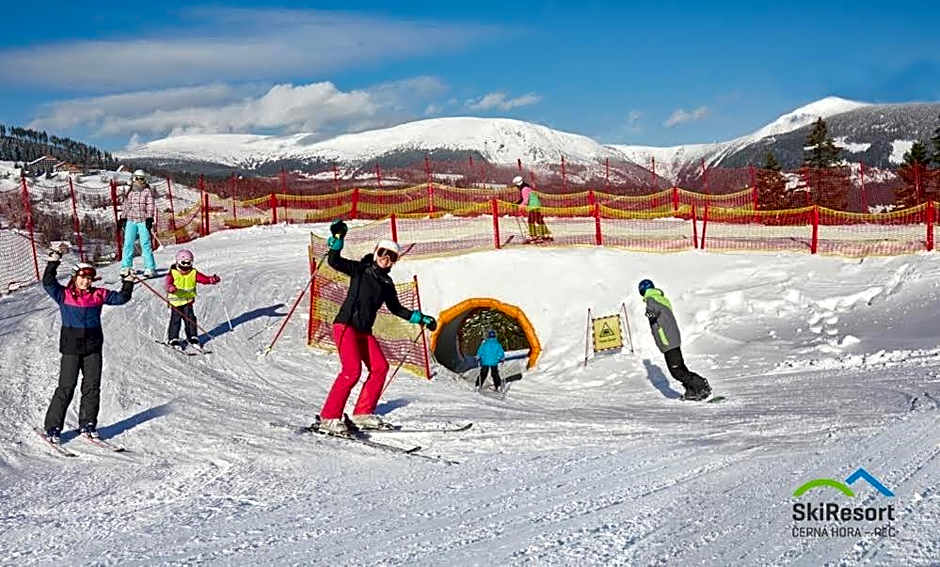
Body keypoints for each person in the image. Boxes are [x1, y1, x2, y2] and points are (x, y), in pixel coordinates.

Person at [317, 219, 437, 434]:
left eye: (392, 257)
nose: (386, 259)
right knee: (352, 371)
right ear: (375, 252)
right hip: (345, 326)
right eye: (383, 252)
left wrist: (422, 318)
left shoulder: (387, 284)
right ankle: (329, 417)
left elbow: (397, 309)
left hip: (364, 331)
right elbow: (334, 262)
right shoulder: (360, 269)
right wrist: (337, 240)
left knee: (380, 367)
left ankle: (362, 413)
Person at [41, 245, 134, 443]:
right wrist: (54, 260)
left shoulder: (97, 295)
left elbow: (121, 298)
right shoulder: (63, 295)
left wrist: (128, 281)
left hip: (93, 346)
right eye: (82, 277)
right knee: (66, 386)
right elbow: (48, 282)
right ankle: (53, 427)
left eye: (89, 278)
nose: (86, 281)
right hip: (71, 348)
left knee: (92, 386)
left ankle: (88, 424)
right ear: (75, 277)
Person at [639, 279, 711, 401]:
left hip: (668, 341)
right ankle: (691, 390)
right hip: (672, 339)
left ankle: (701, 385)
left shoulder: (651, 300)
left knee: (676, 371)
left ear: (642, 290)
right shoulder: (661, 298)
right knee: (680, 368)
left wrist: (650, 313)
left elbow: (653, 309)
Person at [164, 249, 220, 351]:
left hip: (188, 301)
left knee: (190, 319)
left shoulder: (193, 273)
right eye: (183, 263)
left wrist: (211, 280)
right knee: (175, 320)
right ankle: (173, 338)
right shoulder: (173, 273)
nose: (186, 266)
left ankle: (192, 337)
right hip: (176, 302)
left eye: (188, 263)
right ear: (178, 262)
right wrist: (170, 288)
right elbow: (168, 283)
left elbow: (204, 279)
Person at [119, 169, 156, 277]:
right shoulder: (130, 191)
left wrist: (149, 217)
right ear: (133, 178)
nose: (139, 181)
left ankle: (150, 267)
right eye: (137, 178)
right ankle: (126, 267)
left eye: (142, 179)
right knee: (128, 243)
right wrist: (123, 218)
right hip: (131, 220)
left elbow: (150, 205)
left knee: (145, 244)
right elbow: (126, 205)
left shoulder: (147, 191)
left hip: (143, 220)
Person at [513, 175, 552, 243]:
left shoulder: (524, 189)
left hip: (533, 206)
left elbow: (526, 200)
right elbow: (523, 199)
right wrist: (517, 203)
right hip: (536, 205)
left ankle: (534, 235)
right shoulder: (527, 188)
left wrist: (520, 206)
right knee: (538, 220)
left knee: (531, 221)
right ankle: (545, 234)